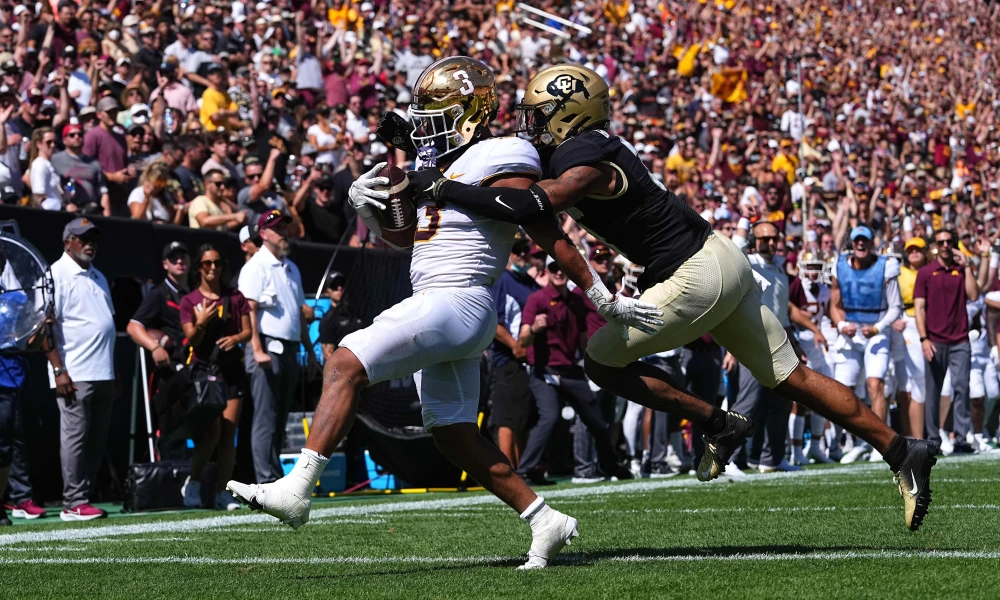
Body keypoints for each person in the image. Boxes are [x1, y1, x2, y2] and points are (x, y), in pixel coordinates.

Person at [406, 63, 939, 532]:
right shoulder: (583, 147)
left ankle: (716, 421)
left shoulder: (585, 153)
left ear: (569, 113)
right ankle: (900, 448)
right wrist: (425, 152)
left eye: (538, 115)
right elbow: (499, 172)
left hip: (694, 272)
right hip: (719, 258)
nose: (530, 126)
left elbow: (531, 202)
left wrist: (442, 188)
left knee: (600, 361)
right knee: (792, 378)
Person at [227, 58, 652, 570]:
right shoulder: (447, 165)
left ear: (473, 111)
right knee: (451, 430)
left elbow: (539, 224)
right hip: (449, 303)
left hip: (457, 297)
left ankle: (297, 489)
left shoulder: (503, 152)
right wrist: (370, 208)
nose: (428, 125)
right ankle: (545, 519)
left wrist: (596, 290)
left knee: (343, 363)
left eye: (438, 113)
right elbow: (407, 236)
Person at [518, 256, 632, 484]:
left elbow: (581, 338)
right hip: (546, 372)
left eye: (562, 268)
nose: (559, 272)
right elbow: (522, 340)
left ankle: (609, 465)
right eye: (553, 268)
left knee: (597, 422)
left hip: (571, 370)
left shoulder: (576, 302)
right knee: (549, 418)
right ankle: (525, 470)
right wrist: (534, 329)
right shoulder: (537, 300)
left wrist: (592, 361)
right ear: (547, 272)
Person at [235, 211, 313, 484]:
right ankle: (265, 478)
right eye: (278, 229)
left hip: (289, 348)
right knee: (266, 416)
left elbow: (299, 315)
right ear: (264, 234)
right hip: (267, 345)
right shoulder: (255, 267)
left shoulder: (291, 268)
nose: (284, 233)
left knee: (280, 418)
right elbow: (249, 312)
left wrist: (310, 351)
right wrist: (256, 348)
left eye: (285, 227)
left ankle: (274, 475)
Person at [46, 218, 115, 521]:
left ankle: (84, 495)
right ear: (67, 241)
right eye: (83, 238)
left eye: (94, 239)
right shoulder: (55, 274)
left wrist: (115, 372)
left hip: (103, 371)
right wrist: (59, 369)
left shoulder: (98, 275)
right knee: (74, 437)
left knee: (96, 439)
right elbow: (45, 327)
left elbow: (106, 326)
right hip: (75, 371)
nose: (90, 244)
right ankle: (73, 500)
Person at [179, 244, 251, 511]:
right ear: (199, 267)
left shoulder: (235, 296)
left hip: (231, 371)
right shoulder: (190, 301)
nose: (212, 268)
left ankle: (224, 491)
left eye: (217, 263)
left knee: (228, 433)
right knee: (212, 431)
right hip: (205, 373)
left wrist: (236, 338)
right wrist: (201, 322)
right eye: (207, 263)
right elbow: (192, 341)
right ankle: (194, 482)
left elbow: (247, 332)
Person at [728, 222, 799, 473]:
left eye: (772, 238)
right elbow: (734, 250)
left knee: (781, 402)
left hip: (779, 342)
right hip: (751, 341)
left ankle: (771, 459)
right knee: (748, 401)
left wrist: (794, 344)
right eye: (763, 239)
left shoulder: (780, 267)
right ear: (754, 241)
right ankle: (728, 458)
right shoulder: (748, 263)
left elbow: (783, 314)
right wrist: (743, 224)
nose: (768, 243)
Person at [828, 225, 902, 463]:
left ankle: (881, 444)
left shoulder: (886, 266)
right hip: (850, 332)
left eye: (865, 240)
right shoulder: (839, 266)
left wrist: (878, 328)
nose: (861, 244)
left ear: (871, 243)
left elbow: (895, 307)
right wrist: (841, 326)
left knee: (875, 384)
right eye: (857, 240)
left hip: (877, 329)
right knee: (844, 390)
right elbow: (835, 305)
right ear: (852, 242)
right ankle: (856, 441)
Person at [915, 229, 982, 454]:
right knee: (932, 391)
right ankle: (933, 439)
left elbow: (973, 295)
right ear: (935, 245)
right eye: (941, 241)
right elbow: (919, 308)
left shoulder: (961, 270)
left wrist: (968, 266)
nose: (944, 245)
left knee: (962, 387)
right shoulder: (925, 272)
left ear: (953, 244)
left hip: (960, 339)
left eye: (948, 242)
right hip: (934, 340)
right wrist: (924, 338)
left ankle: (961, 438)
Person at [488, 238, 539, 470]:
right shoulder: (502, 280)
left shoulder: (529, 282)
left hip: (528, 359)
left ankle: (523, 470)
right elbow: (494, 323)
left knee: (523, 419)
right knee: (507, 418)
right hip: (508, 358)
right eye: (516, 251)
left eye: (524, 251)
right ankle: (508, 472)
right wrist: (515, 346)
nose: (521, 255)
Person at [126, 241, 190, 371]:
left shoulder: (196, 291)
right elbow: (133, 327)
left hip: (196, 364)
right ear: (165, 265)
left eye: (182, 256)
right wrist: (155, 348)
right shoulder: (158, 293)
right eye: (173, 258)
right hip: (173, 367)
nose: (179, 261)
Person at [892, 237, 929, 440]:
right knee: (906, 385)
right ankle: (910, 435)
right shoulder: (900, 273)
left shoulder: (931, 271)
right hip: (907, 323)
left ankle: (924, 434)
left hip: (929, 323)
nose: (914, 253)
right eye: (911, 249)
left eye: (918, 249)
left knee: (922, 383)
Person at [82, 96, 131, 216]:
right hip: (102, 196)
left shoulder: (120, 137)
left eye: (115, 111)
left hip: (120, 195)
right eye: (109, 112)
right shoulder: (93, 136)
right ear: (99, 114)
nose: (113, 115)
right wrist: (111, 177)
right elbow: (85, 167)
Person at [51, 122, 109, 216]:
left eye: (80, 134)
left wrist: (106, 218)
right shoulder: (54, 160)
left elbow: (103, 193)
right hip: (65, 212)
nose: (77, 137)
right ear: (64, 140)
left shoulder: (94, 163)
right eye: (72, 135)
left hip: (90, 211)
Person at [317, 271, 362, 360]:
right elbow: (329, 357)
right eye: (334, 285)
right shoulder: (327, 320)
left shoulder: (356, 312)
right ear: (326, 292)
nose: (339, 288)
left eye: (342, 284)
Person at [27, 126, 61, 210]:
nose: (53, 145)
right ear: (39, 144)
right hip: (48, 214)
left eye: (55, 142)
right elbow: (39, 197)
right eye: (48, 142)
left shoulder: (48, 164)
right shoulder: (40, 165)